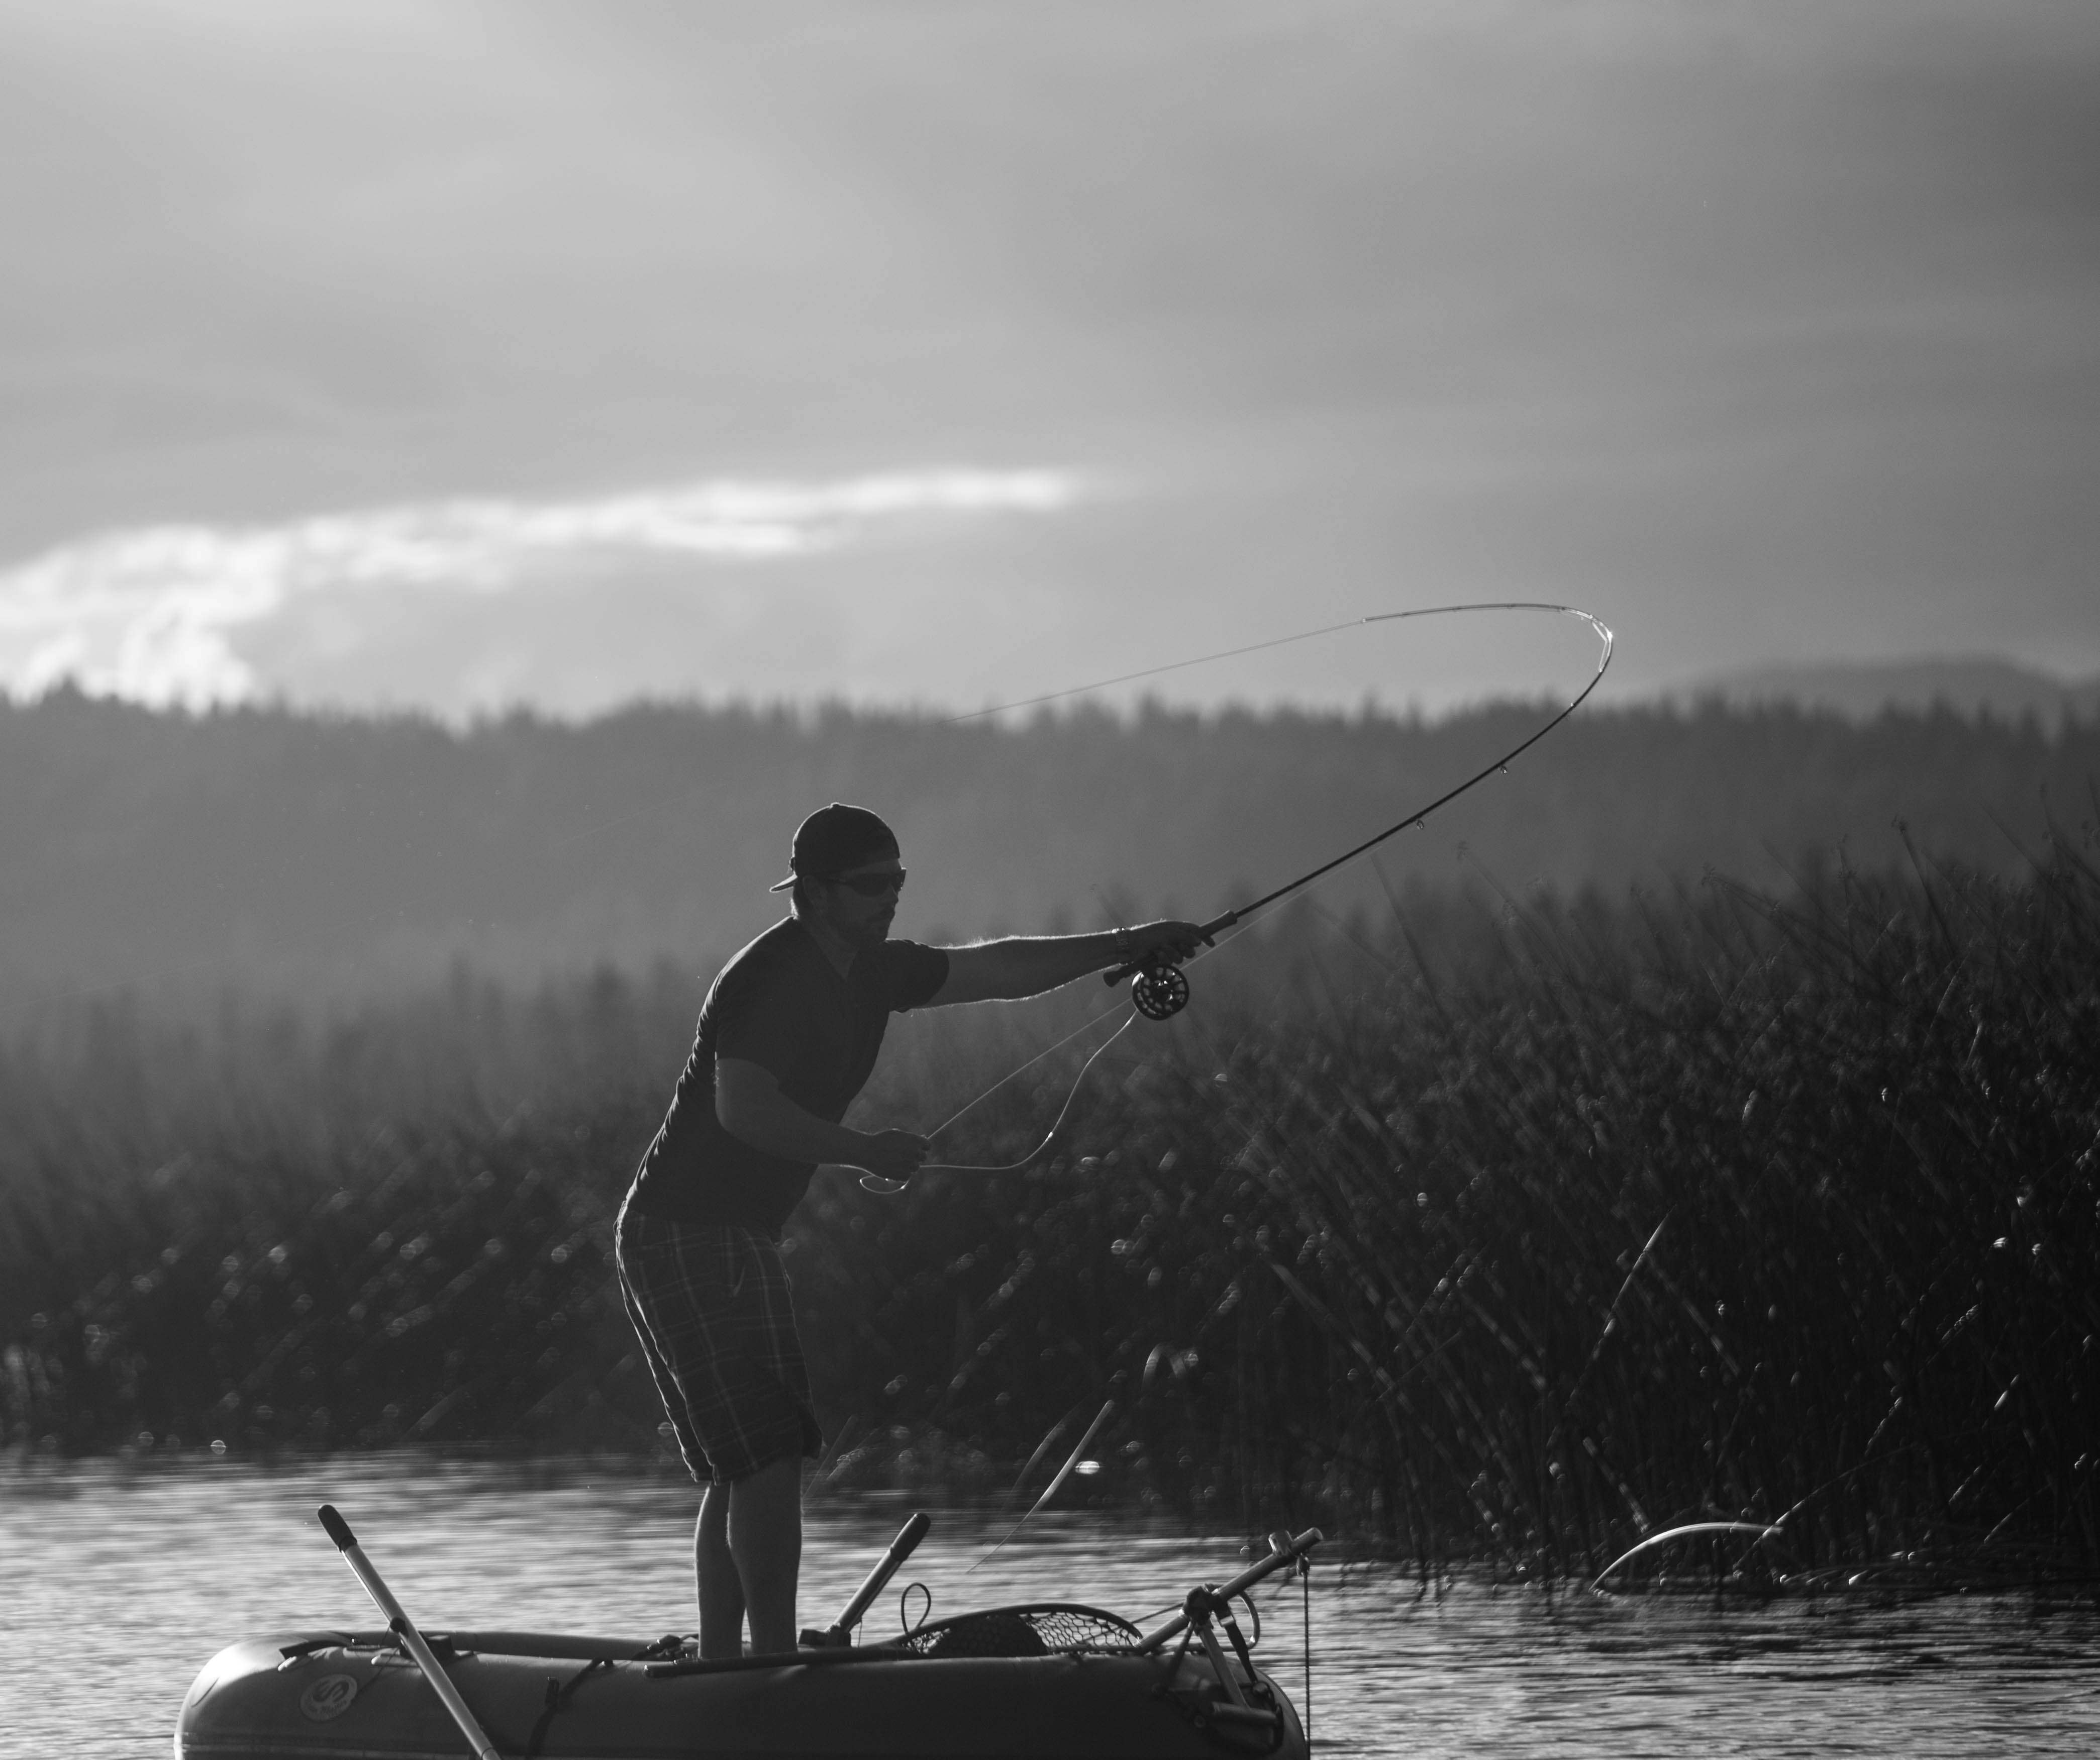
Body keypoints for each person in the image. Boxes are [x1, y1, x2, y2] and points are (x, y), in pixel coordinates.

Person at [614, 802, 1208, 1657]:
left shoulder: (873, 972)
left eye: (897, 880)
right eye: (869, 884)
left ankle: (726, 1672)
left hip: (713, 1233)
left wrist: (1129, 941)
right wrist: (860, 1149)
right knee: (768, 1449)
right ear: (813, 892)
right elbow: (742, 1107)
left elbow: (999, 969)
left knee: (741, 1458)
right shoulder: (767, 978)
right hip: (689, 1229)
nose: (890, 896)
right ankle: (766, 1671)